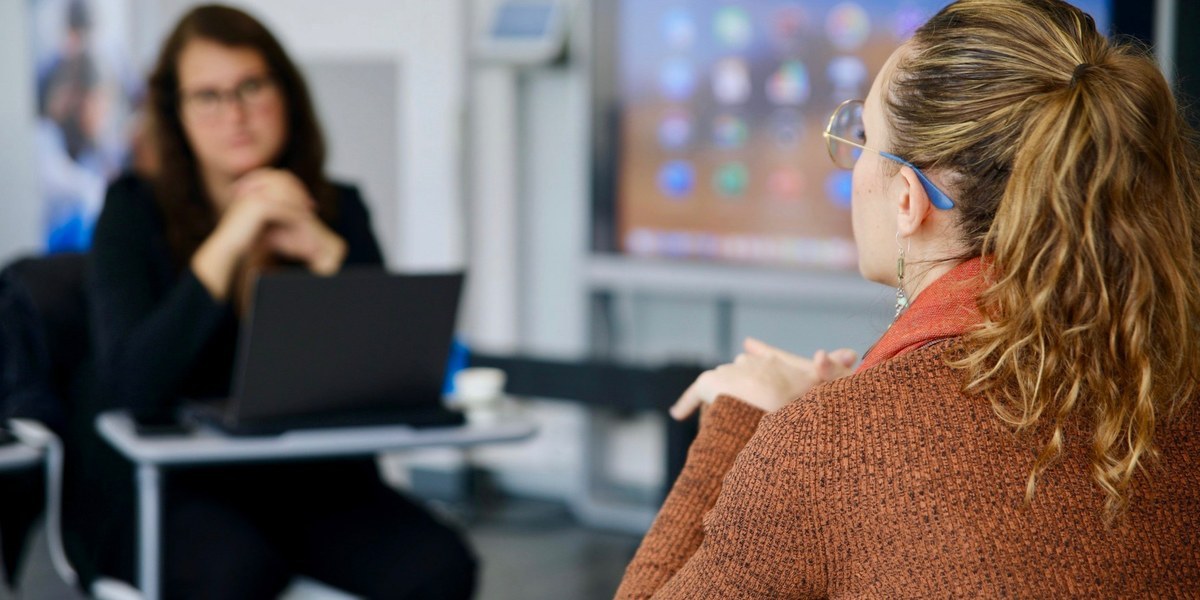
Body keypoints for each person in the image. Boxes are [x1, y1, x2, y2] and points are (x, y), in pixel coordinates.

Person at [616, 0, 1200, 597]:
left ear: (907, 198)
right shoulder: (1175, 383)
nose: (853, 161)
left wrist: (742, 420)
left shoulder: (823, 451)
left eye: (865, 136)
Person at [78, 5, 476, 598]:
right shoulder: (132, 211)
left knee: (440, 566)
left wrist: (323, 251)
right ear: (176, 114)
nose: (234, 115)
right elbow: (135, 383)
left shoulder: (336, 206)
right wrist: (232, 238)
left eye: (251, 87)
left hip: (315, 485)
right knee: (236, 572)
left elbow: (392, 374)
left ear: (285, 93)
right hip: (176, 488)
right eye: (207, 97)